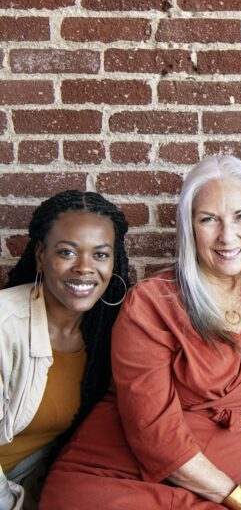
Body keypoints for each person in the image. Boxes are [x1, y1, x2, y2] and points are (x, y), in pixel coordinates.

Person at [40, 156, 241, 510]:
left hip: (218, 496)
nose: (228, 235)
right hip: (114, 482)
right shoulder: (151, 304)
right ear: (189, 227)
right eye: (209, 219)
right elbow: (154, 434)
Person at [0, 190, 130, 510]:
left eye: (100, 255)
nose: (85, 268)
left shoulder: (106, 333)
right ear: (41, 255)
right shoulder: (5, 324)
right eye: (68, 252)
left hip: (28, 480)